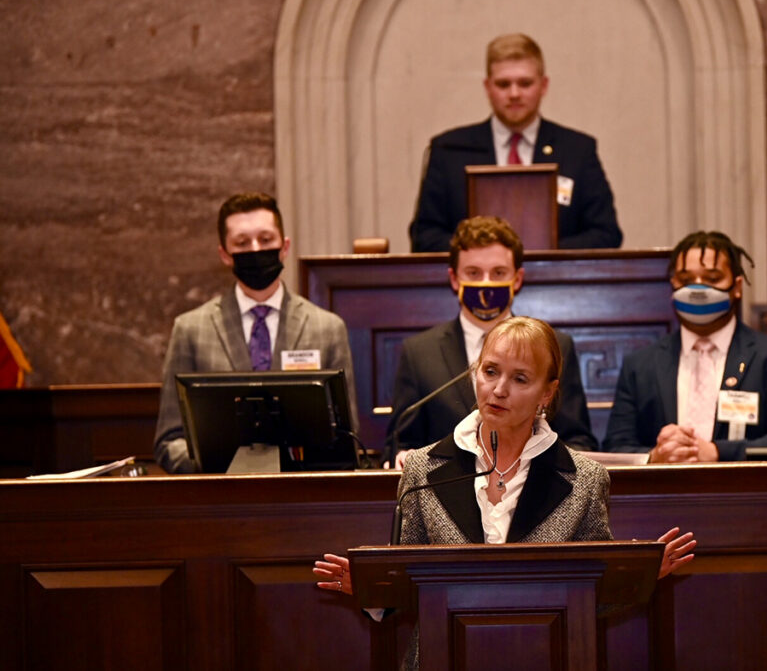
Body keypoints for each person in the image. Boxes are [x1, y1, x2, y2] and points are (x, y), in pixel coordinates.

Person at [314, 317, 696, 669]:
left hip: (545, 657)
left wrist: (639, 576)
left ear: (547, 393)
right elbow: (410, 588)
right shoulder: (422, 469)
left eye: (520, 379)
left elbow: (590, 595)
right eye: (490, 371)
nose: (498, 390)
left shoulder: (585, 479)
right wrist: (373, 588)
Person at [153, 192, 357, 473]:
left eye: (265, 239)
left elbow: (347, 437)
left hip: (303, 498)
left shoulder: (326, 328)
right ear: (225, 254)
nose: (255, 249)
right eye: (242, 242)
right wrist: (221, 469)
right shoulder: (190, 330)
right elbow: (169, 440)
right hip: (219, 498)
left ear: (284, 247)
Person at [387, 216, 596, 467]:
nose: (486, 283)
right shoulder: (419, 353)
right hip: (446, 496)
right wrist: (401, 457)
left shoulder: (556, 347)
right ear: (454, 279)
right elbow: (399, 443)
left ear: (517, 279)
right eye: (473, 273)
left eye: (498, 273)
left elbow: (578, 441)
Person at [603, 231, 767, 461]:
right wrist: (654, 457)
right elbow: (615, 446)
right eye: (686, 280)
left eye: (712, 279)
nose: (698, 289)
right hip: (666, 493)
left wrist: (717, 453)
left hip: (744, 492)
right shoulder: (640, 364)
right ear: (673, 285)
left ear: (737, 286)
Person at [409, 33, 622, 252]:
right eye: (503, 84)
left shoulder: (577, 150)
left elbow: (606, 234)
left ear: (544, 85)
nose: (514, 93)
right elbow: (424, 237)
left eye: (525, 83)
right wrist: (480, 253)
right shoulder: (448, 151)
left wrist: (542, 252)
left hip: (557, 282)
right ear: (487, 87)